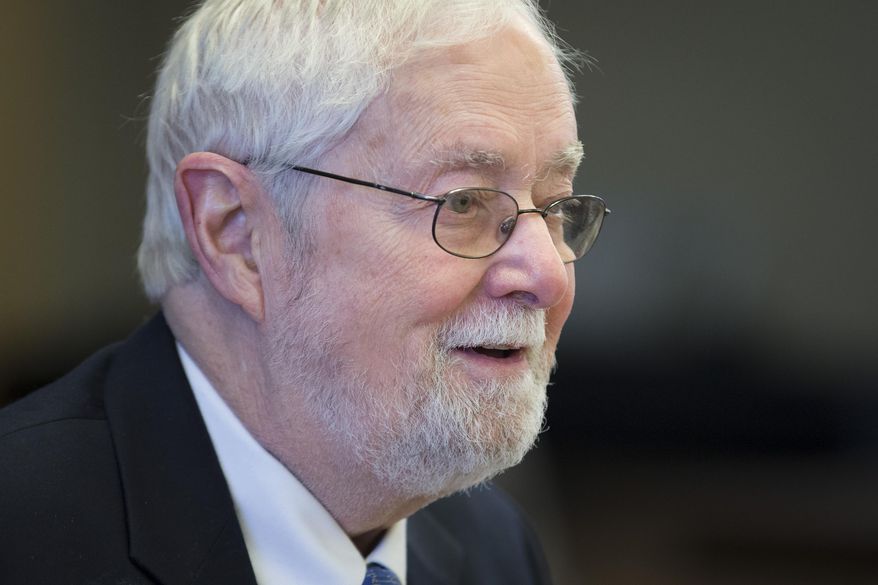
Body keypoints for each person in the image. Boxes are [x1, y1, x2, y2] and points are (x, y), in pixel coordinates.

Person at [0, 0, 609, 583]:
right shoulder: (23, 535)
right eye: (464, 203)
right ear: (234, 231)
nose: (548, 275)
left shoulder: (492, 547)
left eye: (556, 205)